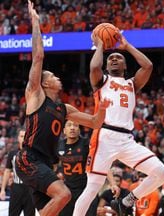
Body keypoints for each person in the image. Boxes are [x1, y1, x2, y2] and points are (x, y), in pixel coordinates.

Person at [15, 2, 110, 216]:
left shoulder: (64, 108)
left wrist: (102, 108)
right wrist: (36, 22)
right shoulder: (36, 95)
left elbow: (95, 122)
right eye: (53, 76)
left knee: (56, 209)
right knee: (64, 195)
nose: (58, 78)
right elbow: (38, 56)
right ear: (46, 83)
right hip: (28, 158)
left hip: (45, 164)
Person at [72, 30, 164, 216]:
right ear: (106, 66)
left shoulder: (132, 84)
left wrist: (127, 47)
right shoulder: (101, 81)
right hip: (104, 136)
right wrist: (100, 45)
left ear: (125, 65)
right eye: (110, 59)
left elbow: (148, 66)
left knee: (162, 173)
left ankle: (126, 202)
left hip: (126, 139)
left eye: (118, 58)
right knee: (92, 188)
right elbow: (93, 68)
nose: (114, 59)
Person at [0, 127, 35, 216]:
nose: (23, 138)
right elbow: (7, 171)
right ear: (18, 138)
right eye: (21, 136)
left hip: (30, 189)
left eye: (25, 136)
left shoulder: (34, 154)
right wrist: (3, 189)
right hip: (16, 188)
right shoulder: (12, 153)